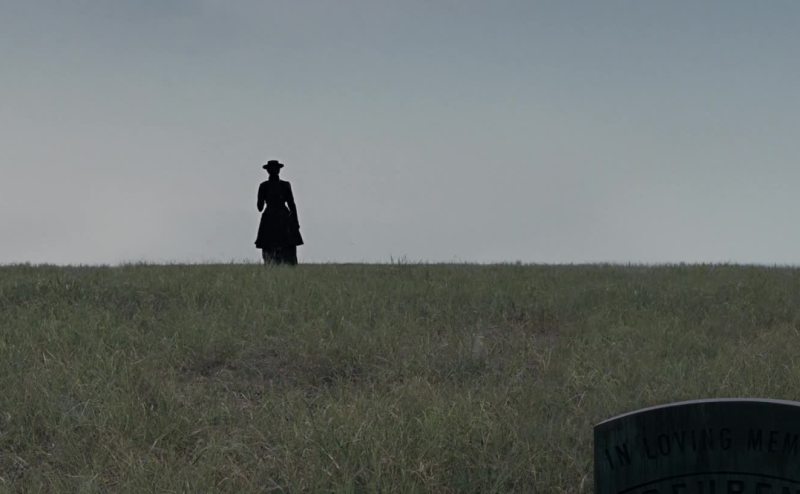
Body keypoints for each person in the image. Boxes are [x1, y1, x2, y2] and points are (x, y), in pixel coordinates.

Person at [255, 160, 303, 265]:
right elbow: (292, 205)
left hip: (272, 218)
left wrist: (295, 222)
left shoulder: (264, 186)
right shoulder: (284, 185)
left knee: (276, 249)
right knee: (285, 249)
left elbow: (259, 207)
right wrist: (295, 222)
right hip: (282, 217)